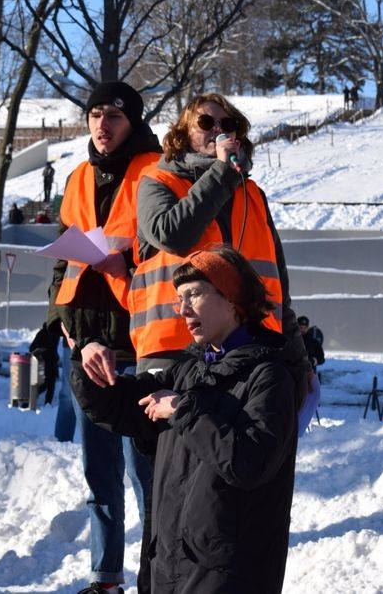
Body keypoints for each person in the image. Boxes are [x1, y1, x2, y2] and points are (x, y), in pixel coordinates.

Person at [71, 246, 303, 594]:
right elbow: (117, 405)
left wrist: (183, 411)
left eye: (193, 294)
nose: (182, 309)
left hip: (228, 575)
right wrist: (89, 358)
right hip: (169, 566)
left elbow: (250, 462)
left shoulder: (270, 376)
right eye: (179, 298)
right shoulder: (189, 371)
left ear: (231, 298)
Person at [47, 79, 161, 594]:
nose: (101, 125)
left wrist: (126, 262)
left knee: (148, 479)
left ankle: (158, 577)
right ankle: (105, 577)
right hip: (87, 349)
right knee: (101, 479)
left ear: (132, 121)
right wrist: (74, 336)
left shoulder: (157, 173)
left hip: (139, 347)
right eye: (94, 115)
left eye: (112, 116)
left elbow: (173, 259)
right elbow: (63, 266)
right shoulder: (76, 178)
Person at [128, 90, 315, 399]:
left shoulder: (252, 194)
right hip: (173, 349)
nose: (217, 129)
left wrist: (300, 362)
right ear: (184, 133)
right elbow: (173, 235)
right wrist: (221, 170)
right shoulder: (158, 181)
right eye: (205, 121)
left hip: (249, 352)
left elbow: (278, 289)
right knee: (169, 447)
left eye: (227, 123)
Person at [29, 321, 60, 406]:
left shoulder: (54, 334)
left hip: (51, 362)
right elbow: (32, 347)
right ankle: (32, 400)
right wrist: (42, 352)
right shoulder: (42, 333)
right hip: (44, 363)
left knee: (50, 386)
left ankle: (47, 404)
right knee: (46, 385)